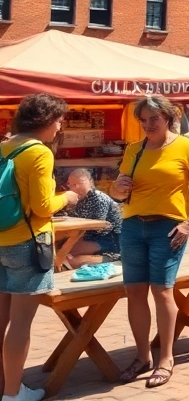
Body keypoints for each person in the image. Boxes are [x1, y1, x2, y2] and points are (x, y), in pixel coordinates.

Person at [109, 95, 189, 389]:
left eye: (154, 118)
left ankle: (166, 358)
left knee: (162, 291)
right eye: (143, 119)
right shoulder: (134, 150)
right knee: (135, 291)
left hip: (169, 227)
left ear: (168, 118)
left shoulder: (185, 147)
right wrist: (116, 187)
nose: (148, 125)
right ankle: (142, 357)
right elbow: (118, 192)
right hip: (132, 226)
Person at [0, 93, 79, 401]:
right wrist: (69, 198)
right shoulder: (39, 153)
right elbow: (43, 207)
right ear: (46, 121)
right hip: (27, 244)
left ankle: (4, 386)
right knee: (20, 324)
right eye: (59, 121)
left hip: (1, 239)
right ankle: (12, 393)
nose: (60, 128)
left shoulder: (4, 146)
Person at [63, 168, 122, 269]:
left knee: (67, 251)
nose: (74, 188)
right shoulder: (77, 199)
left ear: (90, 182)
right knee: (61, 249)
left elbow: (99, 228)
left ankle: (109, 259)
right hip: (88, 236)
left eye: (79, 183)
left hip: (110, 239)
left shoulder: (98, 198)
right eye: (71, 184)